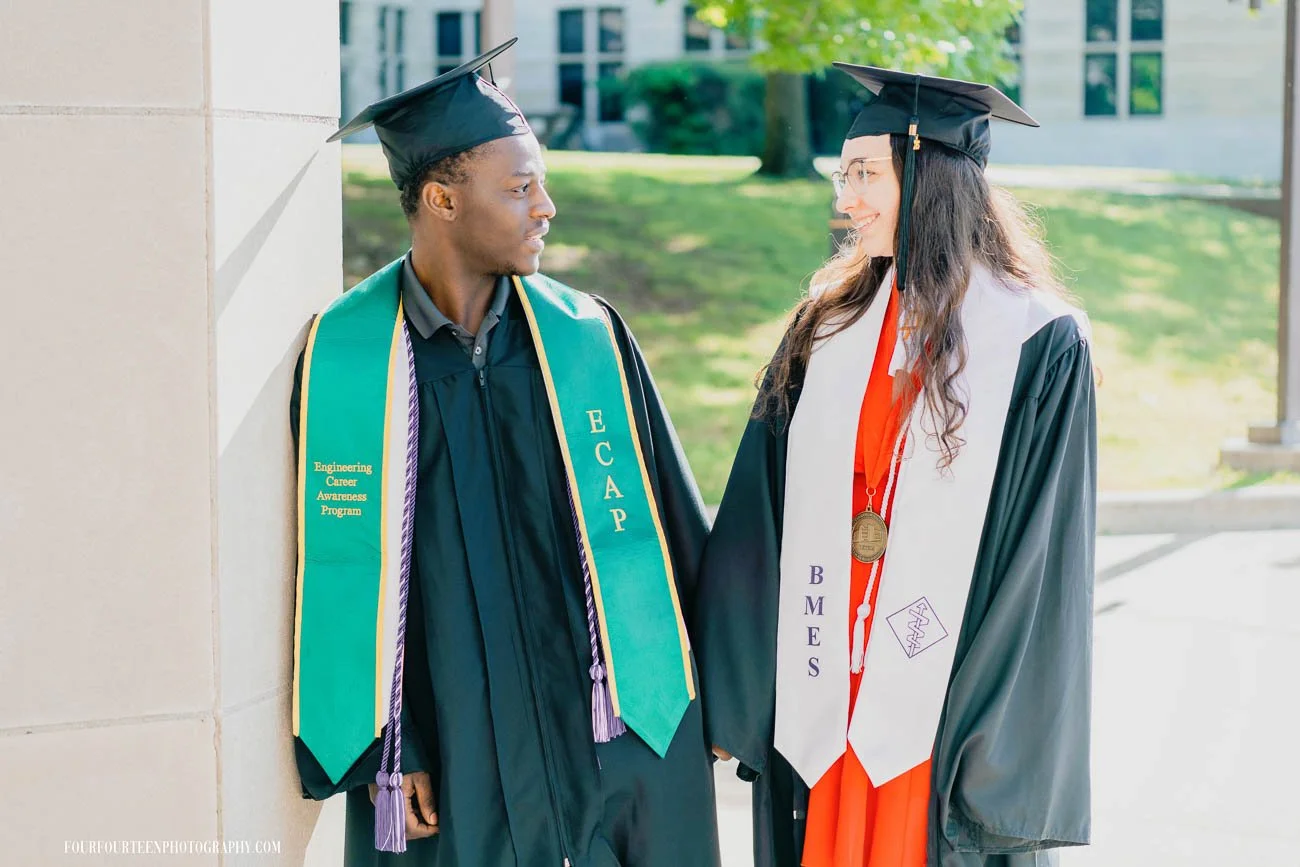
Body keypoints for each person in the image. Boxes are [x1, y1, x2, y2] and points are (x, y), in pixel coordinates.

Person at [290, 39, 721, 867]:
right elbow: (339, 577)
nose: (546, 207)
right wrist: (393, 742)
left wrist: (724, 702)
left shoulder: (585, 339)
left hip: (618, 741)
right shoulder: (351, 362)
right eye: (520, 188)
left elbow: (671, 532)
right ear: (443, 199)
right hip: (454, 760)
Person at [693, 65, 1096, 867]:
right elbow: (757, 514)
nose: (846, 199)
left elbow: (1040, 560)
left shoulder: (1037, 341)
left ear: (928, 172)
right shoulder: (827, 329)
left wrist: (984, 733)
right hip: (822, 693)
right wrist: (737, 687)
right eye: (842, 176)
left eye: (865, 174)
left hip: (939, 707)